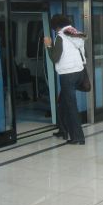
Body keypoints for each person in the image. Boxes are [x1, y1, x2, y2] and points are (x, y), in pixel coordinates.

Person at [44, 15, 86, 144]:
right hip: (79, 73)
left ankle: (78, 137)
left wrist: (49, 46)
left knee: (71, 106)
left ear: (57, 27)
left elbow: (55, 58)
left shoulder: (61, 37)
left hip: (67, 75)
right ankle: (63, 129)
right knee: (62, 103)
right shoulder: (76, 34)